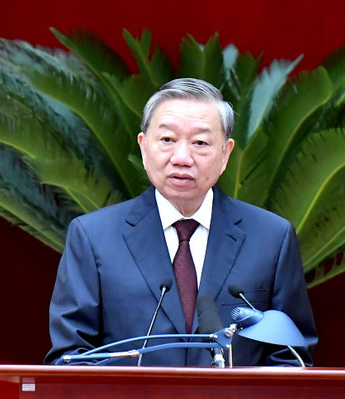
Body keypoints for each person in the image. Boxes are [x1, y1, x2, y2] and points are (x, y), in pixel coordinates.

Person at [45, 78, 317, 366]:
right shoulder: (92, 237)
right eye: (167, 140)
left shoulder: (271, 238)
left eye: (200, 143)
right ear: (143, 146)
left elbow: (292, 358)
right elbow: (71, 358)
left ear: (225, 154)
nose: (182, 157)